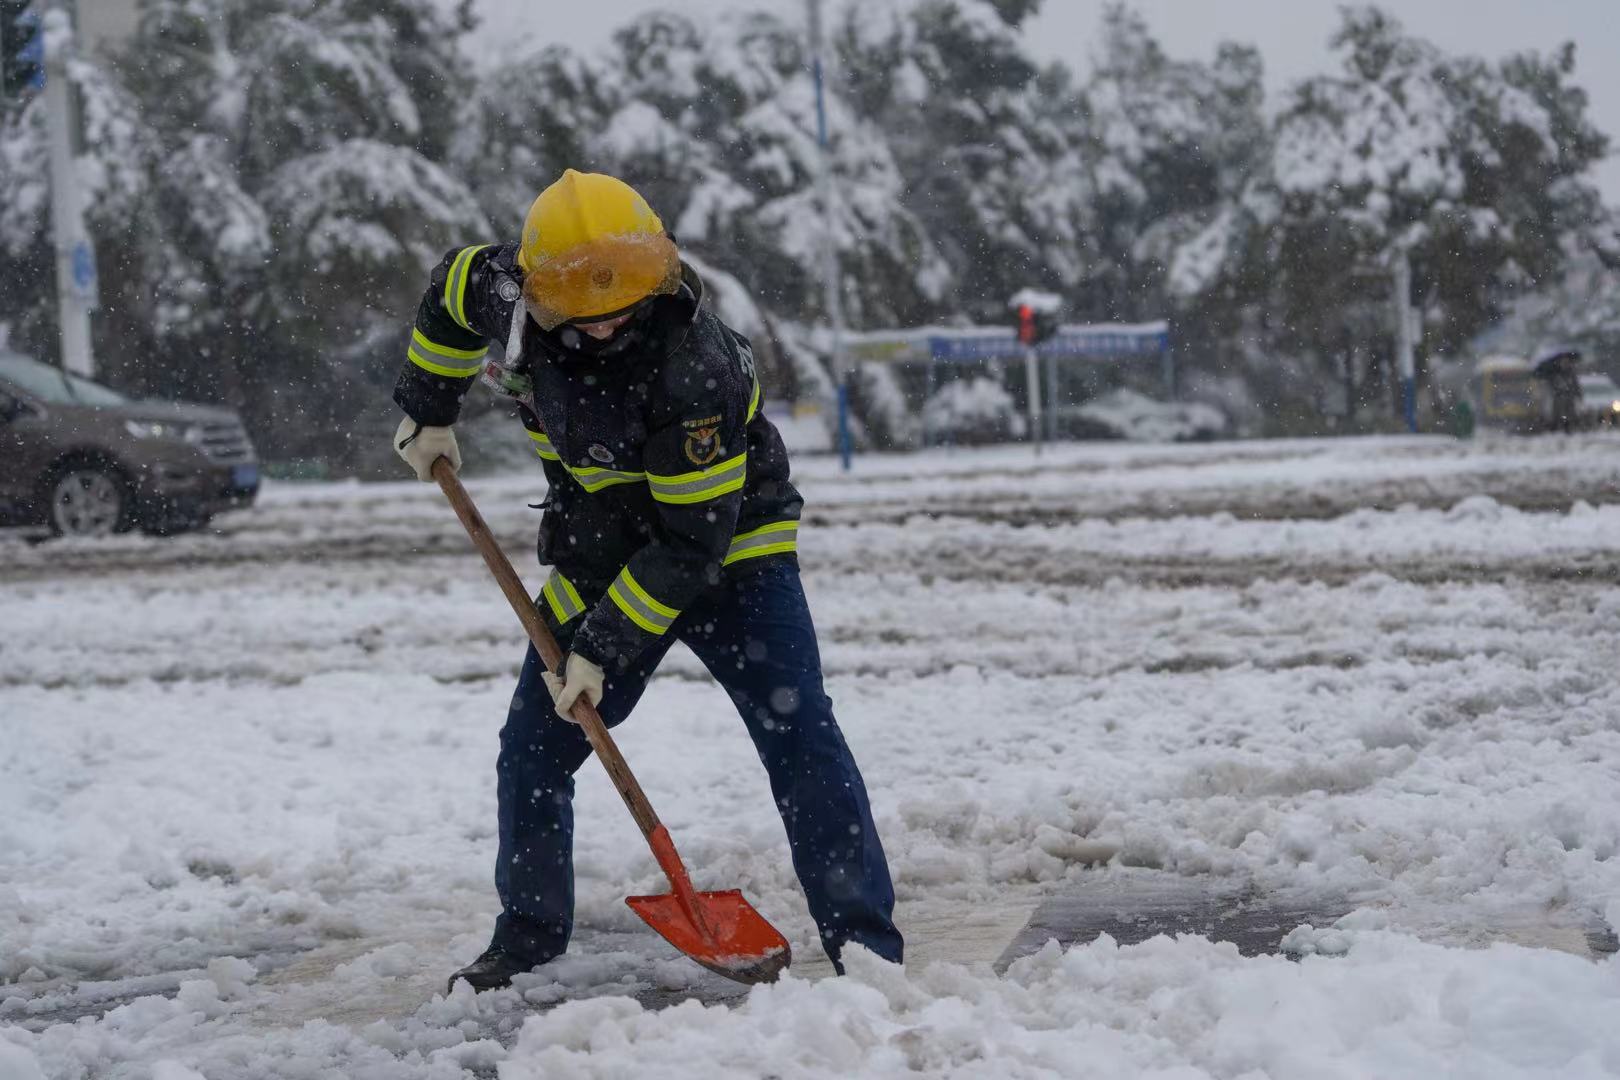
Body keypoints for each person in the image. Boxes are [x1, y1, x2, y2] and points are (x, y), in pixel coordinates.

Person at [390, 169, 903, 992]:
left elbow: (689, 547)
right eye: (578, 304)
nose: (604, 321)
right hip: (599, 543)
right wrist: (430, 407)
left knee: (801, 736)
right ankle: (526, 940)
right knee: (533, 747)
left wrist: (599, 648)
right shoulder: (504, 293)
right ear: (534, 283)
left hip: (733, 552)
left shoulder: (697, 370)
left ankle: (867, 948)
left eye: (623, 296)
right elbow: (448, 295)